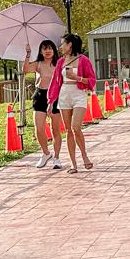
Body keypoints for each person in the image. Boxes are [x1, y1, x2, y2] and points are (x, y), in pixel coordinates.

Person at [52, 33, 95, 172]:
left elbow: (92, 80)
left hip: (78, 94)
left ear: (70, 44)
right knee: (68, 130)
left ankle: (84, 156)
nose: (61, 46)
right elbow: (55, 83)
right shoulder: (60, 62)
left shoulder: (84, 60)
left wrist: (78, 78)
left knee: (76, 127)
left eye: (63, 43)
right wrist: (51, 101)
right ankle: (73, 163)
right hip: (64, 95)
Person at [22, 39, 60, 167]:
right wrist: (28, 54)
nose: (47, 51)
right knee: (39, 128)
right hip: (40, 95)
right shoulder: (38, 64)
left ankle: (57, 157)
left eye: (50, 48)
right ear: (41, 51)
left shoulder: (59, 64)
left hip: (55, 96)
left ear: (54, 50)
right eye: (44, 49)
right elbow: (26, 69)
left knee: (55, 130)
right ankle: (45, 153)